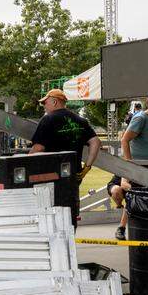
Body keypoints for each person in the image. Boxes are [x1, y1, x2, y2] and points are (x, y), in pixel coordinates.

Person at [30, 88, 101, 220]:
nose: (44, 106)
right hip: (73, 175)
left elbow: (38, 148)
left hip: (49, 175)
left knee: (49, 216)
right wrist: (87, 167)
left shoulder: (47, 120)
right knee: (70, 214)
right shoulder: (80, 121)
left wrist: (27, 165)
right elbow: (96, 142)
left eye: (45, 103)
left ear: (55, 102)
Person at [114, 95, 148, 239]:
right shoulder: (140, 118)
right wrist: (129, 162)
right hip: (138, 166)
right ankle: (121, 228)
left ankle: (147, 229)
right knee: (135, 197)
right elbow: (125, 140)